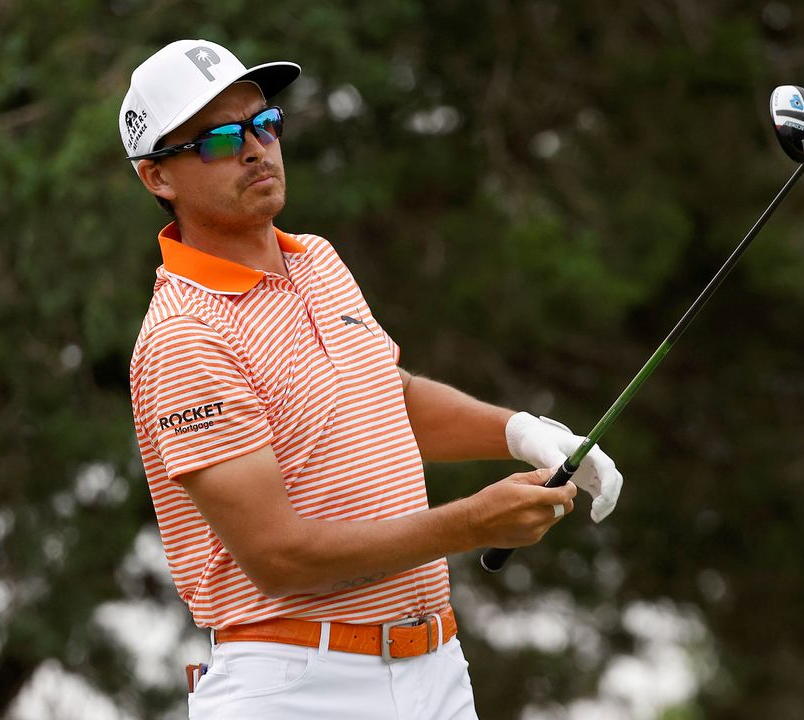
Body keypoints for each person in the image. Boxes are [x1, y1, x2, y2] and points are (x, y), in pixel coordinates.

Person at [119, 39, 623, 719]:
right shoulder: (185, 337)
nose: (254, 149)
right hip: (297, 687)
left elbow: (392, 395)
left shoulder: (316, 260)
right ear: (158, 178)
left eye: (264, 125)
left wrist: (521, 431)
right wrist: (472, 522)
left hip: (437, 669)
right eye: (217, 141)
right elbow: (280, 557)